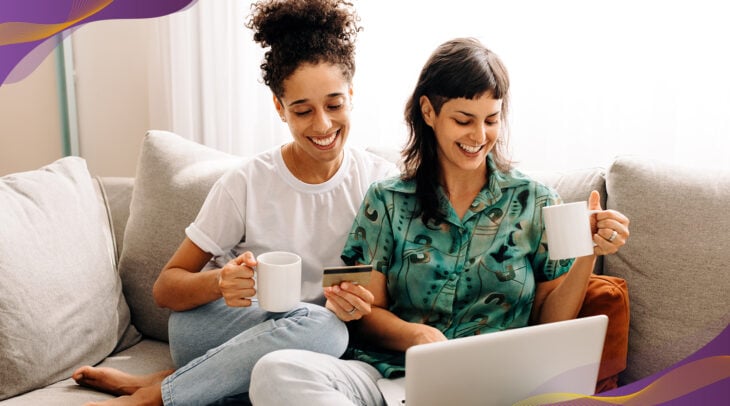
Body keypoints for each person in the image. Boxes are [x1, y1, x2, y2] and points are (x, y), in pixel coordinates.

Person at [247, 37, 631, 405]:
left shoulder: (535, 201)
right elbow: (365, 317)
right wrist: (415, 336)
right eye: (464, 120)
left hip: (494, 387)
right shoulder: (387, 200)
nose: (479, 136)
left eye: (491, 120)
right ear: (429, 111)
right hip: (389, 377)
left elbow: (552, 322)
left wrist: (587, 253)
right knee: (276, 371)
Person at [72, 1, 396, 405]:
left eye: (334, 104)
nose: (322, 125)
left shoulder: (380, 184)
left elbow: (388, 293)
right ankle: (156, 397)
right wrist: (219, 282)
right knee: (326, 332)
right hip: (220, 327)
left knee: (326, 337)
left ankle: (173, 382)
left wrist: (364, 305)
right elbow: (166, 289)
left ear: (351, 94)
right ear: (279, 108)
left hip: (307, 344)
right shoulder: (247, 182)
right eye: (302, 110)